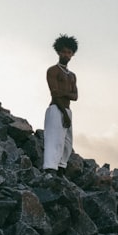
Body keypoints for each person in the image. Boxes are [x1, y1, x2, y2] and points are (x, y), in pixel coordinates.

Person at [43, 34, 79, 174]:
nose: (66, 55)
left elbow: (75, 96)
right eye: (63, 51)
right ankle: (50, 170)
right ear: (58, 52)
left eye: (69, 52)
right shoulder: (53, 70)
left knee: (67, 143)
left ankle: (61, 169)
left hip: (67, 110)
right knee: (54, 140)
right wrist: (64, 113)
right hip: (56, 109)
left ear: (72, 54)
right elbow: (54, 94)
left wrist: (63, 94)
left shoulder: (72, 75)